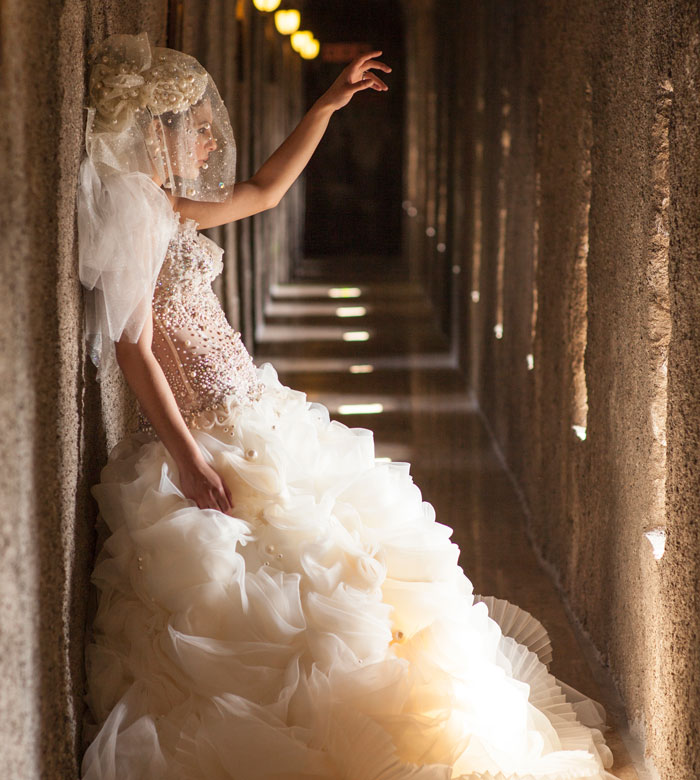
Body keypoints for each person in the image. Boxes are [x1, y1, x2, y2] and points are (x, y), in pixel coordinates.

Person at [78, 32, 616, 780]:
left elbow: (264, 191)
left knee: (349, 575)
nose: (207, 136)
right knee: (284, 601)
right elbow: (134, 349)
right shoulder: (134, 206)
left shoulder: (164, 202)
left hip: (253, 411)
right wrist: (188, 457)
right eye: (193, 123)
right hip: (208, 430)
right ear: (154, 129)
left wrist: (326, 106)